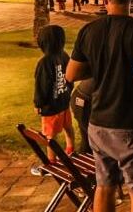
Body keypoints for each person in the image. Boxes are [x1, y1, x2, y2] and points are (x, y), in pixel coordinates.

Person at [65, 0, 133, 212]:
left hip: (98, 124)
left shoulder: (89, 30)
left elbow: (71, 74)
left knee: (104, 185)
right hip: (131, 125)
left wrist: (102, 65)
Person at [33, 25, 75, 174]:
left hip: (50, 107)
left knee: (49, 136)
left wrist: (38, 104)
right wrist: (67, 92)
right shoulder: (64, 56)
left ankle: (51, 163)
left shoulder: (44, 62)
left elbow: (42, 86)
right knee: (68, 127)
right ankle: (71, 150)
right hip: (64, 102)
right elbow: (70, 78)